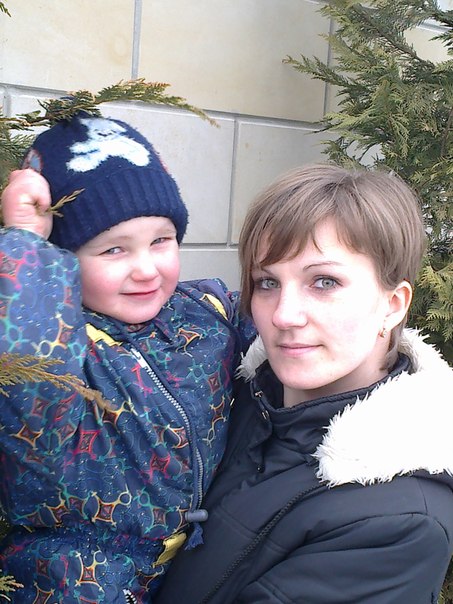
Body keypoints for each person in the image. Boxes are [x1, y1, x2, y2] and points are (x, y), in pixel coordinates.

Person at [155, 164, 453, 604]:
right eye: (267, 282)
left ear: (392, 305)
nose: (283, 315)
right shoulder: (233, 396)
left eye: (324, 282)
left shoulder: (399, 524)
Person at [0, 112, 254, 603]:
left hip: (195, 561)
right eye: (114, 250)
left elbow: (285, 329)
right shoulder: (62, 346)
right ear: (62, 261)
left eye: (161, 240)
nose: (146, 269)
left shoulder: (206, 310)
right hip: (78, 578)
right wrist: (26, 241)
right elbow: (26, 384)